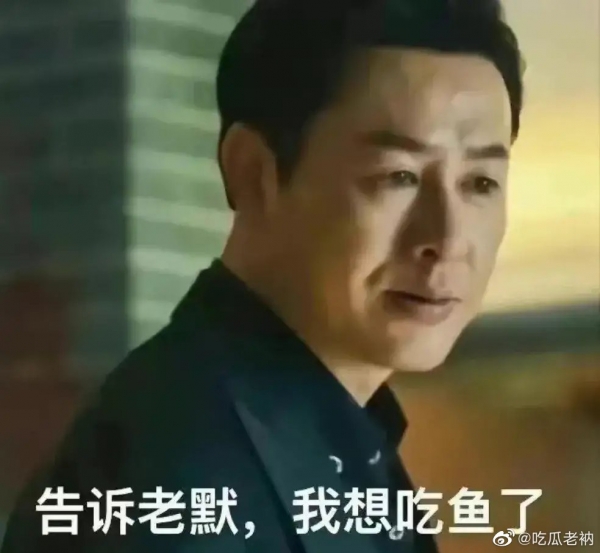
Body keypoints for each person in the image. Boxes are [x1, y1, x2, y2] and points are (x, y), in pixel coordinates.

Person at [1, 0, 525, 551]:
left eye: (481, 183)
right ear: (254, 173)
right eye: (399, 175)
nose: (447, 240)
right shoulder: (179, 472)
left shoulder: (338, 442)